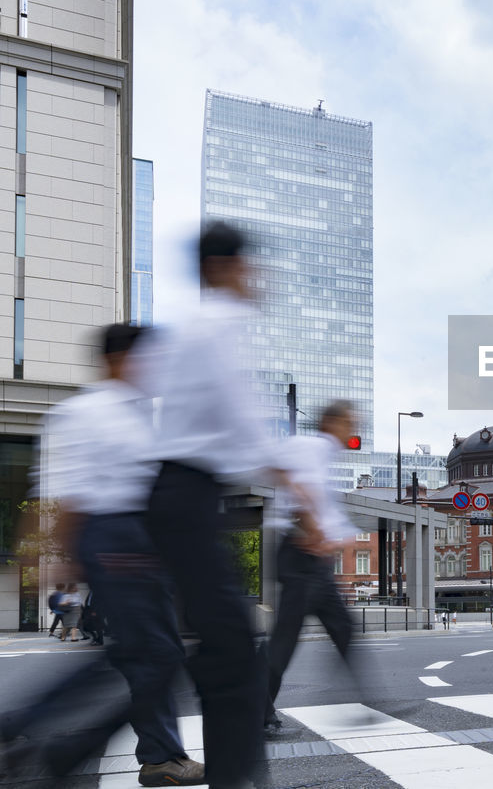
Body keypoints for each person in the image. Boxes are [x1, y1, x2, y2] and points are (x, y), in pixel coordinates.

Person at [135, 221, 311, 788]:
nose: (255, 276)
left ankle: (52, 748)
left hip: (185, 496)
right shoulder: (213, 329)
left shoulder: (200, 328)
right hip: (186, 496)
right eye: (245, 264)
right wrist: (292, 477)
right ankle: (236, 780)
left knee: (216, 647)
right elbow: (241, 422)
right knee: (232, 651)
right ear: (220, 269)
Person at [2, 323, 203, 786]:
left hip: (132, 538)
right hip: (113, 537)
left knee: (146, 653)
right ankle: (158, 756)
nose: (154, 368)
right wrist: (54, 557)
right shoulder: (88, 412)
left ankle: (160, 756)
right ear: (119, 359)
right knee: (154, 653)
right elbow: (66, 492)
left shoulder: (135, 413)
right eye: (146, 358)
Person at [263, 401, 364, 733]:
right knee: (284, 642)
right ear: (332, 422)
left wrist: (334, 538)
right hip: (301, 555)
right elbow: (298, 494)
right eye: (350, 423)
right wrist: (315, 531)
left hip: (313, 560)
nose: (353, 431)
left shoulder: (321, 454)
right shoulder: (311, 447)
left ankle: (364, 705)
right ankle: (257, 713)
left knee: (344, 630)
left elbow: (320, 505)